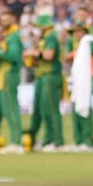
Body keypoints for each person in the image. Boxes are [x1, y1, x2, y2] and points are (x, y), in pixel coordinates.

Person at [25, 14, 65, 152]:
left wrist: (34, 53)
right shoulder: (44, 38)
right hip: (42, 75)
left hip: (50, 75)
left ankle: (56, 140)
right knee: (42, 109)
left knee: (51, 109)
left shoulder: (51, 37)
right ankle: (47, 139)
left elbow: (49, 55)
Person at [69, 23, 93, 152]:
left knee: (85, 107)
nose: (76, 34)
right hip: (78, 79)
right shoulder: (79, 45)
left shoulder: (89, 42)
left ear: (84, 32)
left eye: (78, 31)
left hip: (86, 79)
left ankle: (87, 140)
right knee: (76, 106)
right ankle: (78, 140)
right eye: (74, 32)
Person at [0, 12, 25, 155]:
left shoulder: (13, 37)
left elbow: (13, 56)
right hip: (7, 75)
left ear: (13, 20)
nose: (3, 22)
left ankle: (16, 142)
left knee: (11, 108)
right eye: (2, 19)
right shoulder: (11, 36)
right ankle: (15, 140)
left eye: (6, 19)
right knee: (8, 109)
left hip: (10, 74)